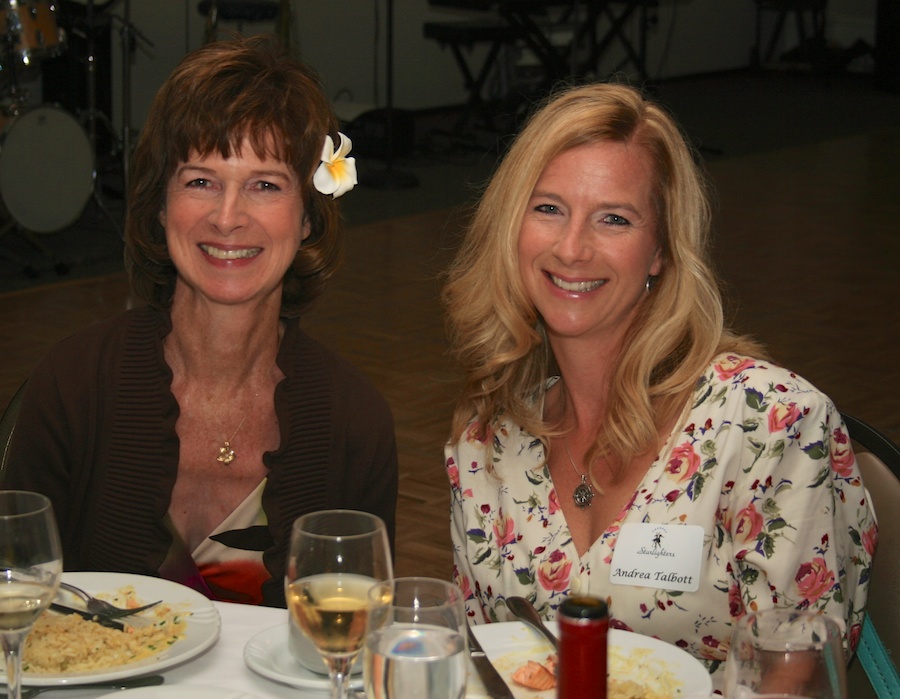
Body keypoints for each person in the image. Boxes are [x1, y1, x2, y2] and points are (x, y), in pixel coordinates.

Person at [442, 83, 876, 690]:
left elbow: (792, 679)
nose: (572, 248)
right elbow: (486, 662)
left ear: (662, 252)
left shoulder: (768, 425)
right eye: (547, 209)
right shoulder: (487, 445)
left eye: (613, 219)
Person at [2, 36, 398, 607]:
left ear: (309, 217)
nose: (227, 217)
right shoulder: (72, 385)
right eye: (199, 181)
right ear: (161, 207)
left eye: (265, 184)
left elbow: (354, 656)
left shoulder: (354, 424)